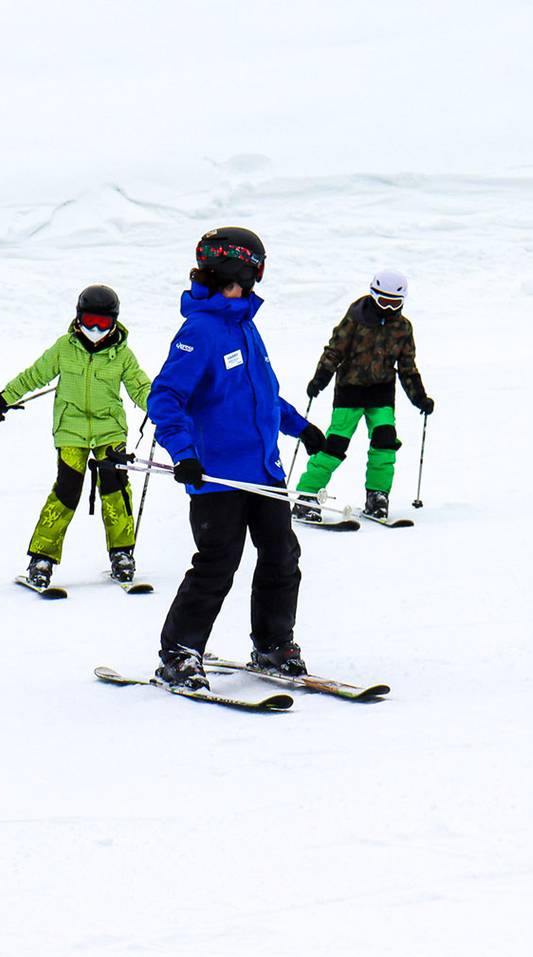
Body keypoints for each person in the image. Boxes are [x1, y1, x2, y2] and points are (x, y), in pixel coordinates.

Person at [146, 226, 326, 690]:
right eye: (256, 267)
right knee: (217, 564)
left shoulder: (245, 324)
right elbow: (165, 397)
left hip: (264, 473)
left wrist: (300, 428)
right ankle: (179, 655)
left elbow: (260, 398)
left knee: (282, 558)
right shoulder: (201, 331)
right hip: (218, 478)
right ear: (240, 267)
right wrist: (183, 453)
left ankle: (273, 644)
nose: (259, 276)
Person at [0, 284, 151, 587]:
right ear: (78, 318)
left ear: (113, 322)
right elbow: (34, 375)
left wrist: (165, 410)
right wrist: (3, 399)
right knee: (66, 492)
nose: (95, 329)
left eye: (102, 323)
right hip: (71, 431)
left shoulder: (122, 355)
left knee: (115, 491)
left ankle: (122, 555)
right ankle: (42, 559)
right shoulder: (64, 348)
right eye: (89, 321)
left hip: (109, 431)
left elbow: (141, 388)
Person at [292, 269, 434, 522]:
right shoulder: (355, 318)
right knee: (335, 445)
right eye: (384, 302)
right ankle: (306, 496)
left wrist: (419, 397)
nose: (389, 308)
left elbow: (407, 368)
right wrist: (320, 379)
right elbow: (334, 351)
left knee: (385, 441)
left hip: (381, 394)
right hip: (350, 392)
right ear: (373, 295)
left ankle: (377, 496)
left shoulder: (402, 327)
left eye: (395, 303)